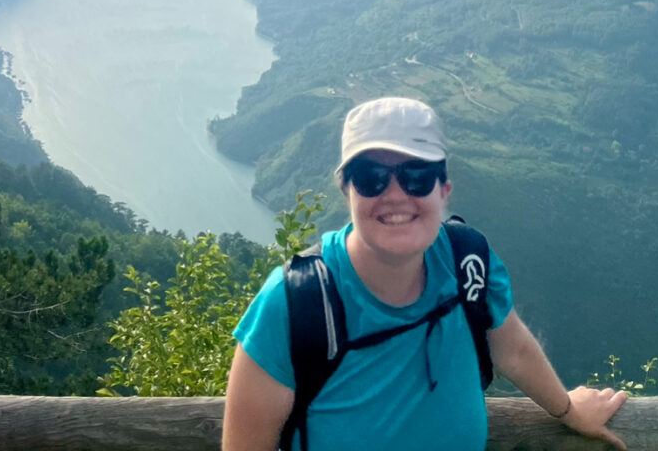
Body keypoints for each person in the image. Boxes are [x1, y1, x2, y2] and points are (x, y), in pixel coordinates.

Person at [223, 97, 628, 451]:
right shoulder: (296, 304)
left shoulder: (467, 262)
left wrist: (569, 410)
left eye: (417, 176)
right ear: (347, 191)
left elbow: (512, 349)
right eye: (371, 177)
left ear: (443, 190)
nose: (396, 194)